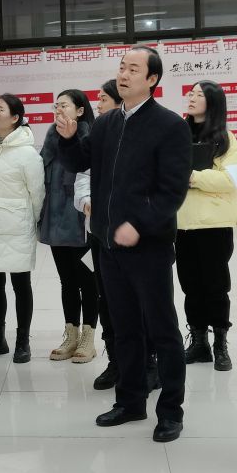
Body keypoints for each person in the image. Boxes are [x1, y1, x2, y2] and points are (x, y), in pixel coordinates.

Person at [57, 46, 191, 443]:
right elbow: (79, 162)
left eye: (134, 69)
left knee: (162, 331)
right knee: (125, 327)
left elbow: (172, 192)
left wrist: (140, 225)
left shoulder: (170, 125)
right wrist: (68, 139)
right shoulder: (106, 123)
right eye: (121, 67)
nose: (124, 74)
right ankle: (130, 401)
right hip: (108, 244)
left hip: (148, 246)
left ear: (152, 79)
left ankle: (171, 411)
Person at [0, 94, 45, 364]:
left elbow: (37, 193)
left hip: (16, 227)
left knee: (21, 284)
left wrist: (31, 223)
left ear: (15, 118)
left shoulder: (27, 153)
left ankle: (23, 342)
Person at [177, 81, 237, 371]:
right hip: (182, 223)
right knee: (190, 286)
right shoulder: (178, 133)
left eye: (199, 94)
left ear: (213, 102)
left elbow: (230, 179)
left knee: (216, 287)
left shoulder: (226, 138)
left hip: (215, 225)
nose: (191, 98)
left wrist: (191, 177)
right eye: (190, 93)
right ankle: (199, 343)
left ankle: (220, 344)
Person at [41, 90, 98, 363]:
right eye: (56, 106)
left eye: (64, 105)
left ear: (80, 110)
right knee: (67, 281)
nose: (58, 110)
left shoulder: (90, 139)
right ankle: (71, 335)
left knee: (88, 282)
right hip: (55, 221)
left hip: (81, 222)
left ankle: (89, 338)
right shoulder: (51, 137)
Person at [74, 79, 125, 389]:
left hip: (129, 233)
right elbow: (82, 178)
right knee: (105, 298)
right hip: (98, 231)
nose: (98, 104)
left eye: (104, 99)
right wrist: (86, 200)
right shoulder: (97, 135)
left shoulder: (138, 134)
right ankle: (115, 362)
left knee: (133, 302)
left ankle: (146, 363)